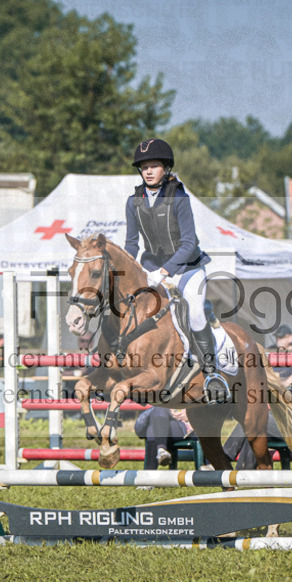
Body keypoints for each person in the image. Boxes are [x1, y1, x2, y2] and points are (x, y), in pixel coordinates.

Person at [123, 138, 228, 403]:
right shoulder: (133, 201)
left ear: (165, 168)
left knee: (193, 311)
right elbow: (132, 243)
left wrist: (165, 271)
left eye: (154, 166)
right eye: (144, 166)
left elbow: (190, 243)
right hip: (151, 267)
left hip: (187, 267)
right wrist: (127, 271)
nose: (148, 171)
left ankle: (212, 373)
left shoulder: (179, 198)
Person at [271, 324, 292, 388]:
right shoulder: (271, 351)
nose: (278, 340)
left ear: (290, 338)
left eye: (281, 337)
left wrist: (286, 383)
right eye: (277, 337)